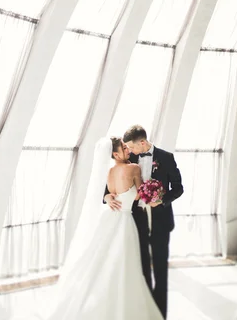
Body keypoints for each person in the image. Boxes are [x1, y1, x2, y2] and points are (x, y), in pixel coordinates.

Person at [46, 137, 163, 320]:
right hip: (123, 220)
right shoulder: (134, 168)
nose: (128, 150)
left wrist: (109, 197)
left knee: (101, 261)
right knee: (124, 264)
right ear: (115, 153)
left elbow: (110, 194)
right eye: (124, 148)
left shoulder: (109, 172)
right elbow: (139, 196)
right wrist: (155, 194)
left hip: (107, 218)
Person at [105, 125, 183, 318]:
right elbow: (109, 188)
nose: (129, 151)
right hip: (135, 220)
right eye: (127, 148)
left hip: (161, 220)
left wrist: (162, 201)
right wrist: (107, 197)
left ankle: (161, 314)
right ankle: (147, 312)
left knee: (160, 269)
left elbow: (178, 188)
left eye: (131, 147)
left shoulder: (166, 157)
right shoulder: (128, 159)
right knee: (142, 267)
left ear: (142, 142)